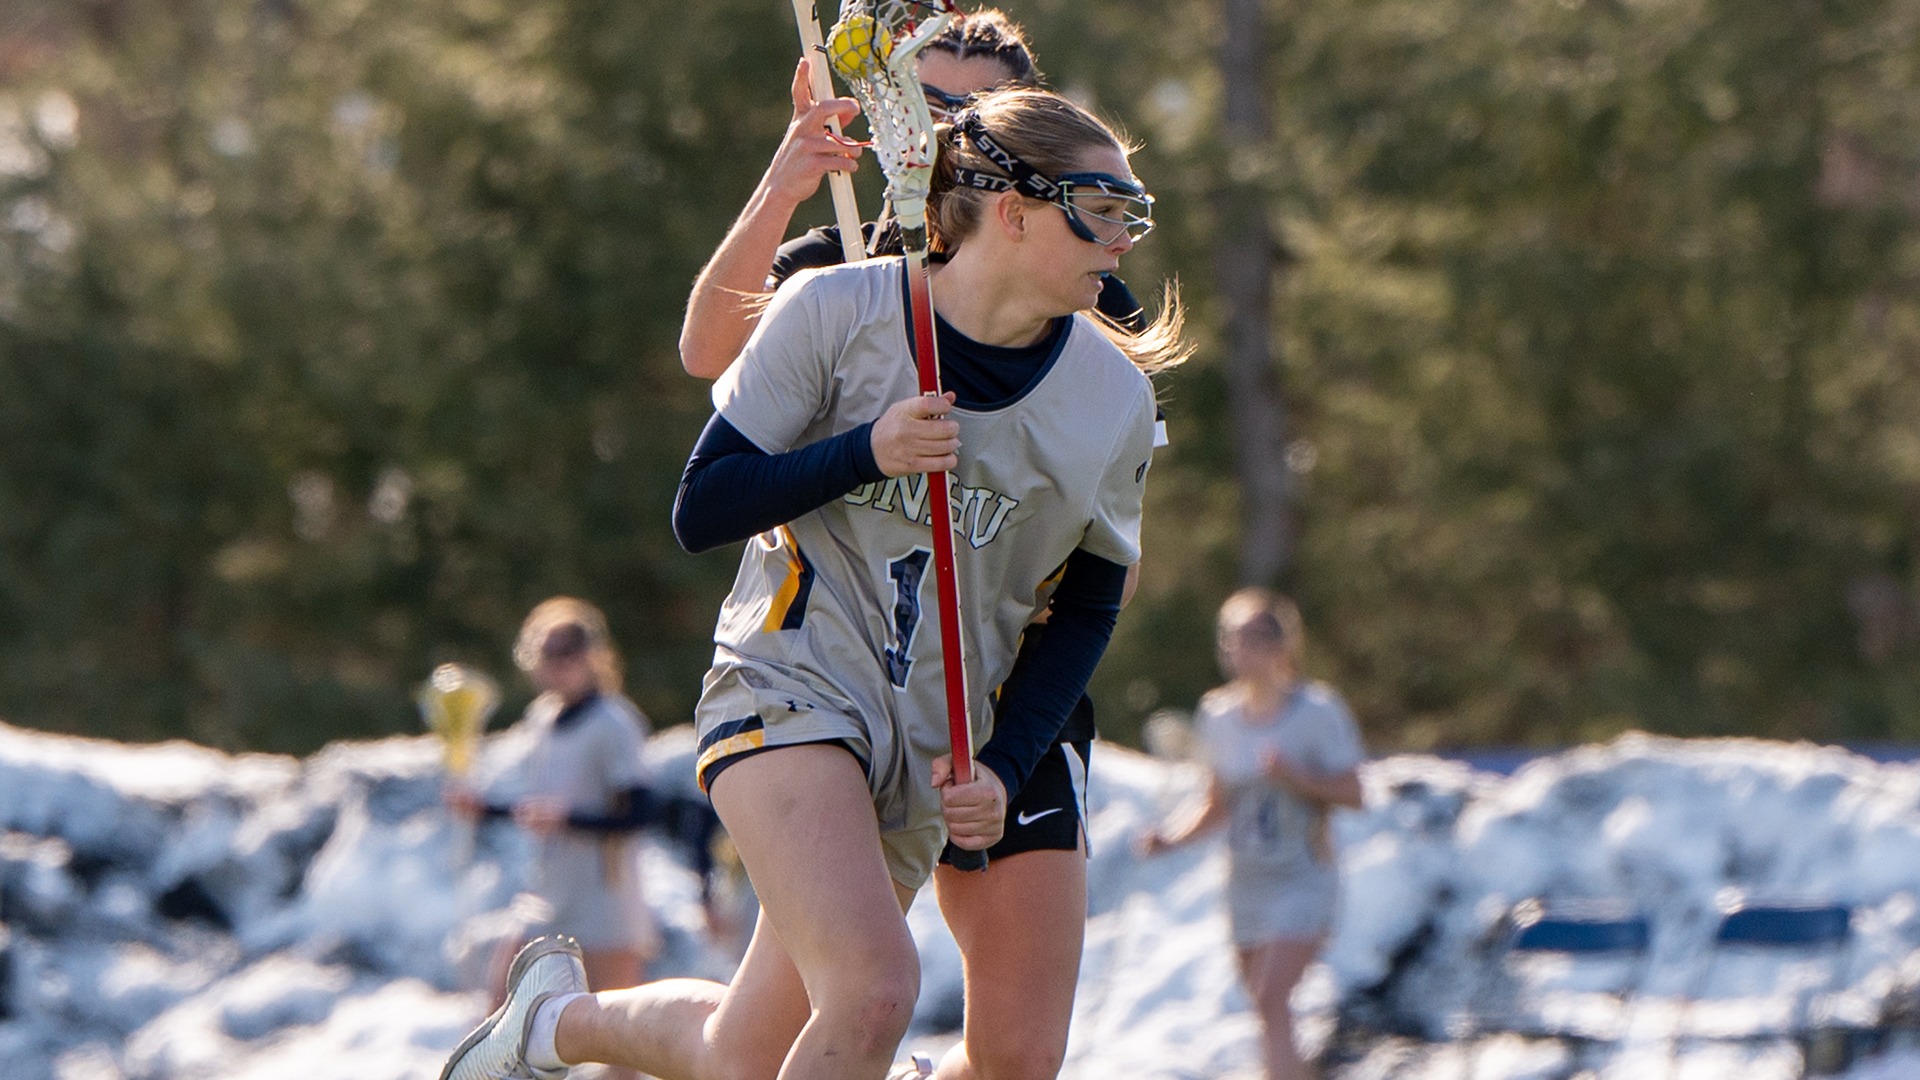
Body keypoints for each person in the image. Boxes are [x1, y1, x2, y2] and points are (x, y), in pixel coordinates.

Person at [440, 85, 1181, 1080]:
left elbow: (1091, 604)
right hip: (789, 685)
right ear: (1012, 210)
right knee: (877, 990)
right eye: (1102, 209)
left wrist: (1006, 764)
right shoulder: (838, 310)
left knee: (746, 1055)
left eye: (1133, 214)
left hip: (929, 744)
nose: (1124, 239)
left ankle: (551, 1027)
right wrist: (865, 452)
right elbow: (703, 506)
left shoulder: (1115, 397)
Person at [676, 13, 1162, 1080]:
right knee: (843, 1008)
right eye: (924, 106)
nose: (939, 130)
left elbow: (1089, 568)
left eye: (963, 113)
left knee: (998, 1058)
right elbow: (708, 368)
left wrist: (1004, 753)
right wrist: (784, 191)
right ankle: (560, 1029)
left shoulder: (1087, 318)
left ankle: (555, 1028)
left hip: (1000, 691)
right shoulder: (843, 282)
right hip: (826, 675)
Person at [1135, 589, 1366, 1080]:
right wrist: (1170, 839)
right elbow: (1217, 803)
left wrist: (1295, 776)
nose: (1238, 652)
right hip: (1246, 883)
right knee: (1266, 1009)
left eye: (1250, 640)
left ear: (1280, 647)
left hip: (1304, 874)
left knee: (1272, 996)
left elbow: (1353, 792)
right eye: (1231, 640)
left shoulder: (1317, 712)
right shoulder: (1218, 716)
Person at [443, 596, 667, 1077]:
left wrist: (571, 820)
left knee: (618, 1042)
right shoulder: (541, 719)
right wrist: (484, 809)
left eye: (569, 653)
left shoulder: (614, 722)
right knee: (499, 1012)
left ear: (592, 656)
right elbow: (540, 808)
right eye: (548, 655)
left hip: (606, 900)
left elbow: (641, 813)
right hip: (546, 894)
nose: (558, 666)